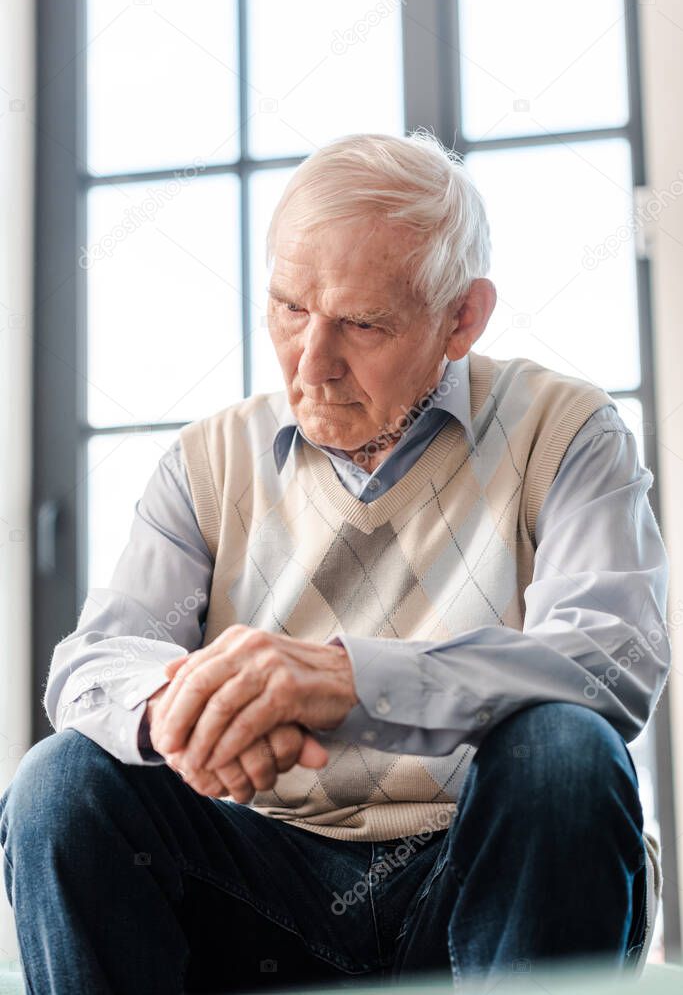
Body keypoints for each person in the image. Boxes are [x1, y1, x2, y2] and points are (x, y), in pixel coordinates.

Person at [0, 129, 669, 993]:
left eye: (361, 322)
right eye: (288, 309)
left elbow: (608, 659)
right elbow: (93, 665)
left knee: (563, 750)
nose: (311, 365)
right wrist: (189, 705)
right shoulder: (209, 461)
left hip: (481, 873)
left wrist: (348, 683)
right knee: (60, 779)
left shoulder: (565, 430)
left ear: (461, 317)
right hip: (260, 889)